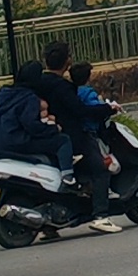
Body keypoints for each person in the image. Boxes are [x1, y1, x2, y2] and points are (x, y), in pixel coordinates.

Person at [38, 43, 117, 211]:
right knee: (100, 169)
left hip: (46, 136)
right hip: (73, 136)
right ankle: (101, 214)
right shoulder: (63, 87)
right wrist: (107, 109)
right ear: (67, 61)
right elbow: (80, 111)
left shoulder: (39, 83)